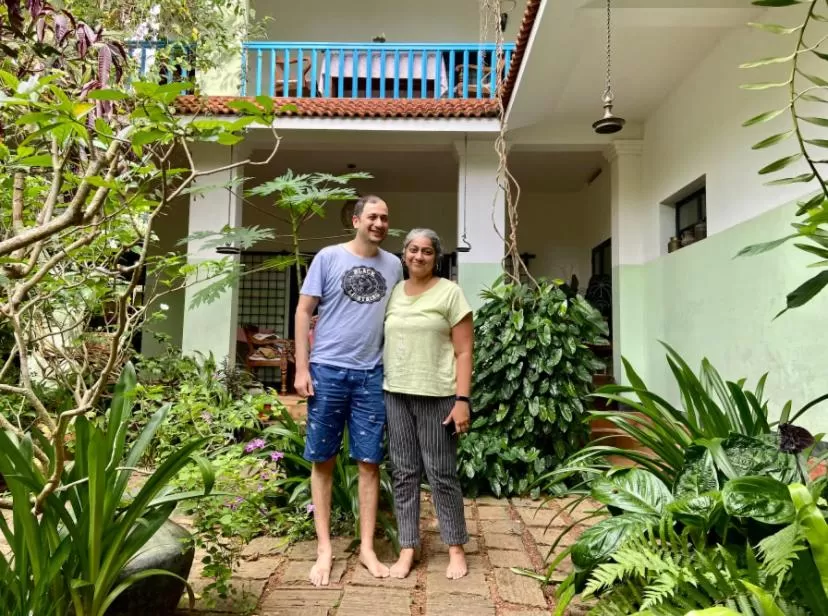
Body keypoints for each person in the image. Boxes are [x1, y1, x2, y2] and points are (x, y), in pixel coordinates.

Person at [294, 195, 403, 586]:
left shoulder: (394, 265)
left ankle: (367, 549)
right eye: (372, 216)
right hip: (327, 371)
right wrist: (302, 368)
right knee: (322, 460)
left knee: (369, 462)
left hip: (372, 374)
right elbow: (304, 310)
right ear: (356, 220)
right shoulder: (328, 257)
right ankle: (324, 548)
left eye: (384, 218)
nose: (379, 223)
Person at [382, 228, 474, 580]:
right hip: (396, 393)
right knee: (403, 474)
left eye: (427, 252)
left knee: (441, 474)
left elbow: (465, 351)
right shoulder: (393, 294)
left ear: (437, 257)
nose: (419, 256)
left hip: (439, 396)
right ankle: (408, 548)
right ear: (403, 254)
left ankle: (455, 548)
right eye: (413, 250)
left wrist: (462, 399)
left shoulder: (451, 294)